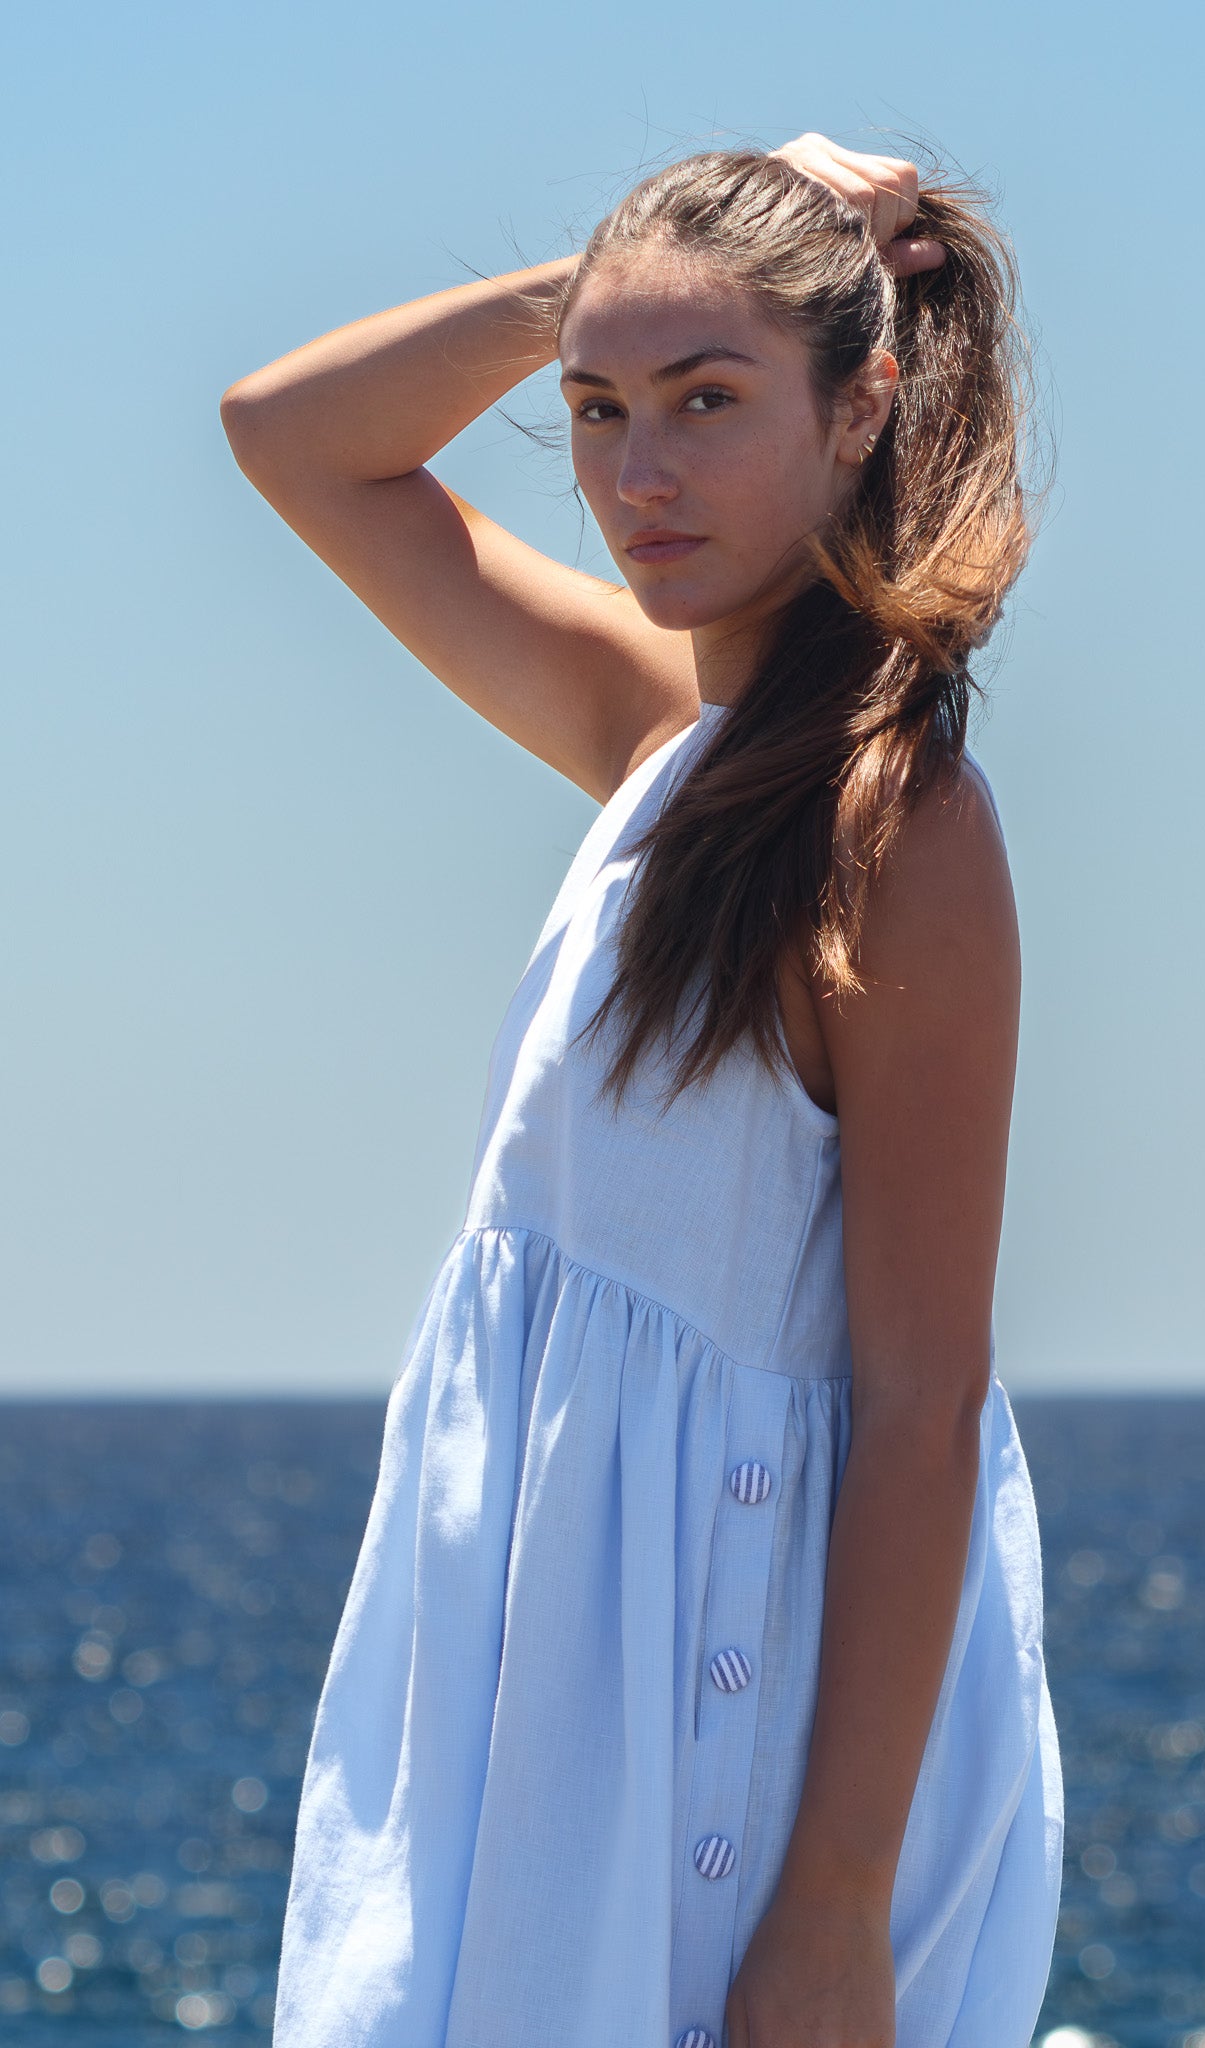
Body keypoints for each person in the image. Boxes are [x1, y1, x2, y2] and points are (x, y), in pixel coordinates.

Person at [220, 131, 1064, 2048]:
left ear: (860, 412)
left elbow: (925, 1402)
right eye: (599, 410)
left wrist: (834, 1906)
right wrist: (596, 286)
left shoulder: (898, 824)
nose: (637, 472)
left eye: (705, 400)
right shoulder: (657, 734)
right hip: (542, 1676)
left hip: (730, 1704)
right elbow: (289, 434)